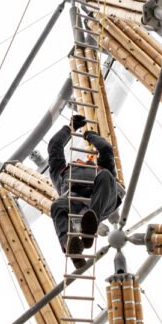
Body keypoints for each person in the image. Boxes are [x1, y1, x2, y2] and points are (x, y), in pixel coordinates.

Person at [48, 114, 121, 267]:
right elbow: (54, 145)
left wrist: (90, 135)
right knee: (56, 206)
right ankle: (71, 244)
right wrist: (70, 128)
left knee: (107, 176)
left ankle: (91, 220)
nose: (83, 161)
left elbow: (106, 149)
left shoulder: (100, 169)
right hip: (74, 199)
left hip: (101, 198)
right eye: (79, 162)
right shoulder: (61, 172)